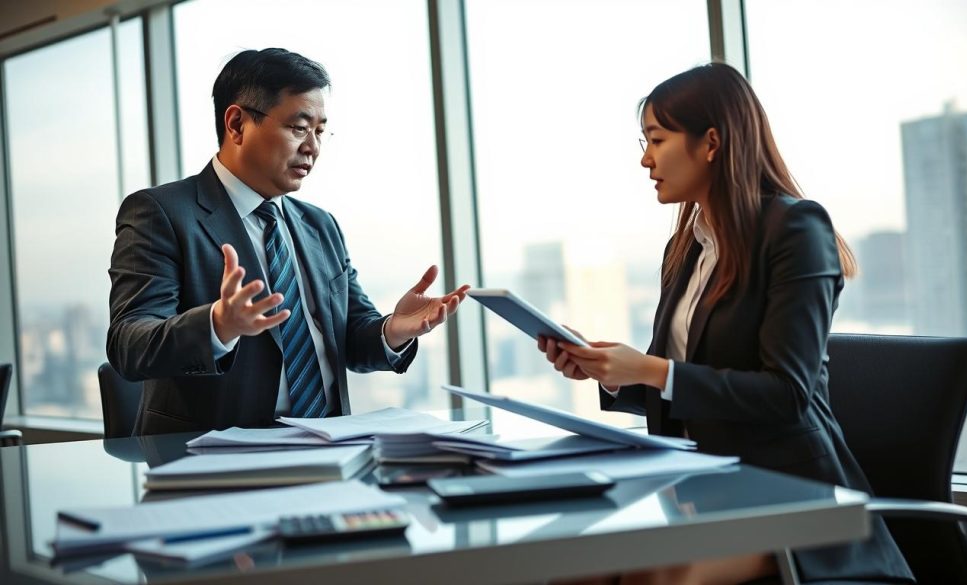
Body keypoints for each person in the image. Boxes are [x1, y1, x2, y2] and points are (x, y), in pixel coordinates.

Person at [539, 63, 914, 584]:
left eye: (656, 139)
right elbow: (684, 380)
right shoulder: (686, 246)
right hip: (703, 495)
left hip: (792, 502)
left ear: (710, 143)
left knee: (663, 580)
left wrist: (649, 370)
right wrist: (611, 372)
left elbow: (785, 394)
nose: (645, 160)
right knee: (571, 568)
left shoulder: (795, 229)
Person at [107, 48, 468, 435]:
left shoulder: (319, 225)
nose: (313, 146)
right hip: (215, 460)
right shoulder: (161, 213)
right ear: (236, 124)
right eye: (299, 128)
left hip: (330, 448)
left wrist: (393, 330)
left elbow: (350, 336)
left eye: (319, 130)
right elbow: (130, 342)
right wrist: (217, 325)